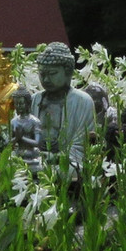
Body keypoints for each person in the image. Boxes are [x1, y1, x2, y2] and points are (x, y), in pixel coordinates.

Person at [31, 42, 95, 179]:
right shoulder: (34, 100)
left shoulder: (82, 101)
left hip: (68, 164)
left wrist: (56, 158)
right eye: (42, 74)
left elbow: (80, 147)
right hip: (36, 161)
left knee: (70, 171)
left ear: (68, 72)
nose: (46, 79)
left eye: (52, 73)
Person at [9, 86, 43, 173]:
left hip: (31, 155)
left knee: (37, 168)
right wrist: (16, 138)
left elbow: (37, 143)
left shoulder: (34, 121)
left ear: (28, 104)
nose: (18, 106)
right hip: (17, 154)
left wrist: (21, 138)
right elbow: (8, 144)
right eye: (16, 104)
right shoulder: (13, 122)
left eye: (21, 103)